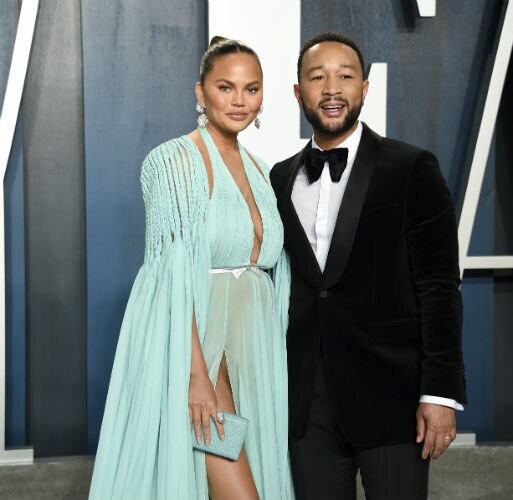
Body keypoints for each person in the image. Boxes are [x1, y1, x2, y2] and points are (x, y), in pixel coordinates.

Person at [89, 37, 294, 500]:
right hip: (202, 349)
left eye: (251, 89)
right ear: (200, 92)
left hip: (256, 358)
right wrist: (194, 376)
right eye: (226, 87)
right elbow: (169, 277)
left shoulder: (265, 173)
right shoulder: (171, 162)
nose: (239, 101)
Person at [270, 32, 467, 500]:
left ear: (365, 87)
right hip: (306, 403)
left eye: (345, 76)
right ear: (298, 92)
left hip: (393, 397)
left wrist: (439, 393)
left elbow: (440, 286)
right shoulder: (279, 177)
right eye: (317, 78)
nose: (332, 88)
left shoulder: (411, 166)